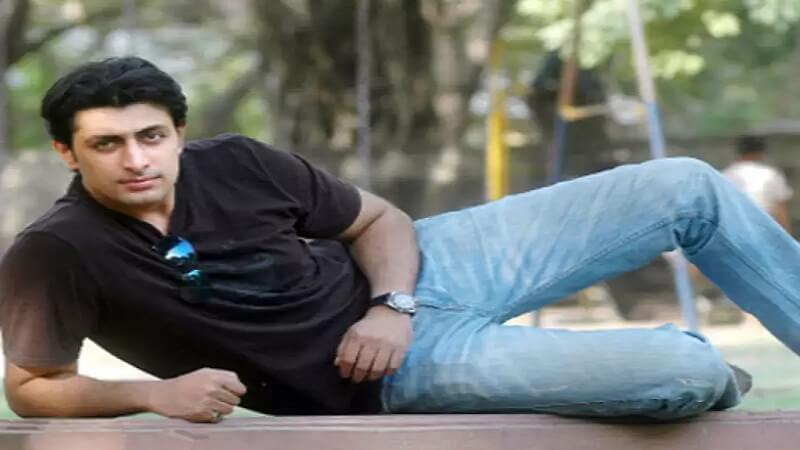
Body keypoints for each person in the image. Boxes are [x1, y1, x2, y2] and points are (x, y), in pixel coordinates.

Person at [0, 57, 794, 424]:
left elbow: (377, 220)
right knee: (684, 371)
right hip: (386, 377)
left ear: (178, 133)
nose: (136, 160)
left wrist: (391, 305)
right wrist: (151, 394)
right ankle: (681, 376)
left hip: (428, 269)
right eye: (107, 144)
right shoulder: (56, 252)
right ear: (68, 153)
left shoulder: (236, 161)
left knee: (683, 183)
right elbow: (31, 386)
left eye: (151, 136)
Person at [723, 134, 793, 233]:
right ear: (762, 152)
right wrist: (786, 235)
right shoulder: (771, 174)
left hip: (736, 230)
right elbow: (781, 209)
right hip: (765, 230)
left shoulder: (725, 175)